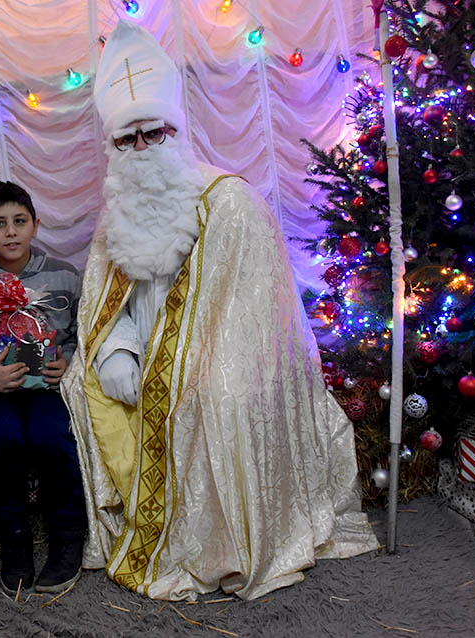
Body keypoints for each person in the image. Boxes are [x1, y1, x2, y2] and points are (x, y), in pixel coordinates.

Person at [60, 20, 379, 602]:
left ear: (175, 132)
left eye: (152, 135)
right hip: (147, 349)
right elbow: (105, 304)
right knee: (84, 383)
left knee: (213, 397)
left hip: (223, 355)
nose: (140, 150)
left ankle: (218, 544)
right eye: (126, 141)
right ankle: (137, 524)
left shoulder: (229, 201)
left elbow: (255, 316)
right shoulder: (116, 215)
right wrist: (119, 352)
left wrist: (186, 367)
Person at [0, 181, 87, 597]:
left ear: (36, 224)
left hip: (49, 389)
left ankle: (67, 535)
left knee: (53, 439)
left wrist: (66, 363)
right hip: (1, 393)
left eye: (19, 221)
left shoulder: (65, 276)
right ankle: (14, 539)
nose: (10, 232)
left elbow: (82, 337)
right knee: (2, 439)